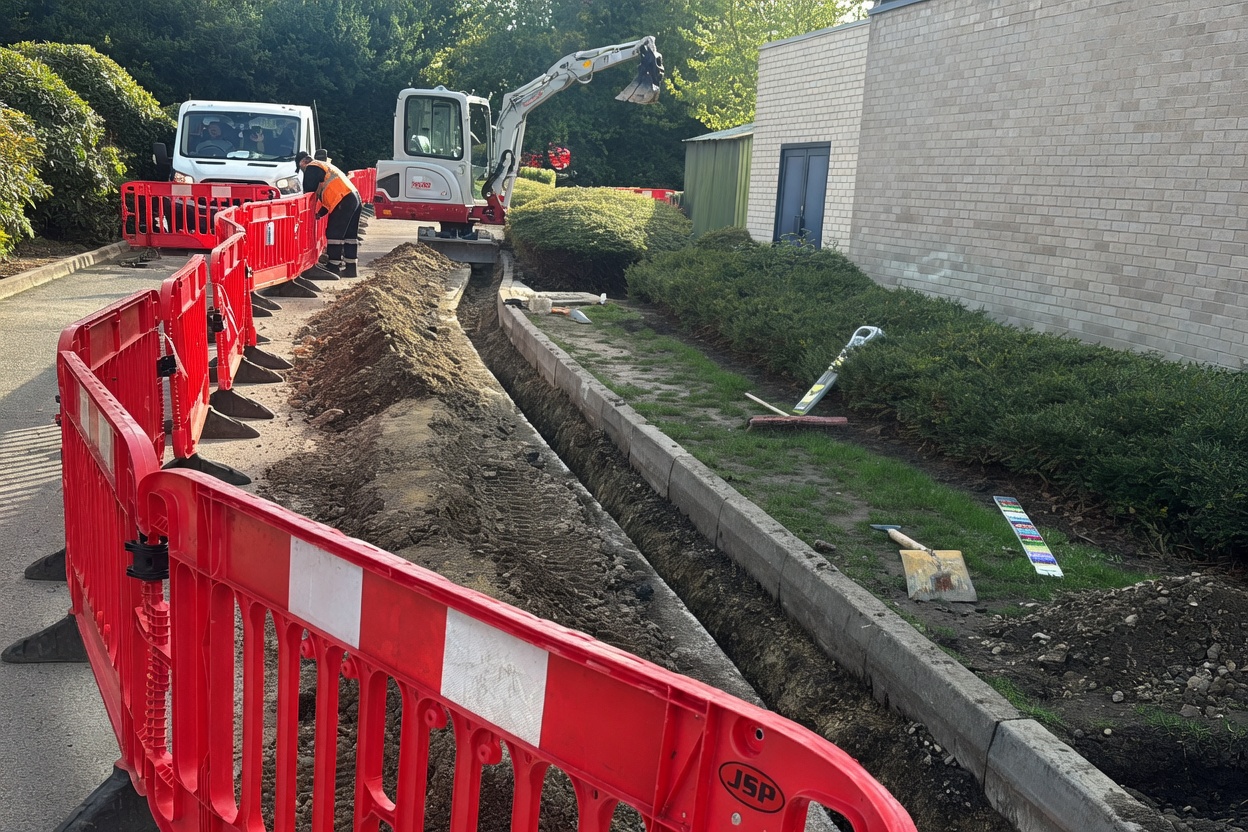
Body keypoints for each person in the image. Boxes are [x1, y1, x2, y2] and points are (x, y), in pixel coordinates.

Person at [297, 150, 362, 277]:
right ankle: (351, 268)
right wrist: (320, 213)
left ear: (304, 161)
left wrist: (306, 205)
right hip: (353, 198)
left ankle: (333, 266)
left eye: (300, 167)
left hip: (343, 199)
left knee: (334, 234)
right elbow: (327, 197)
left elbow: (308, 190)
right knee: (350, 235)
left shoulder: (313, 166)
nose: (303, 171)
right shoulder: (325, 168)